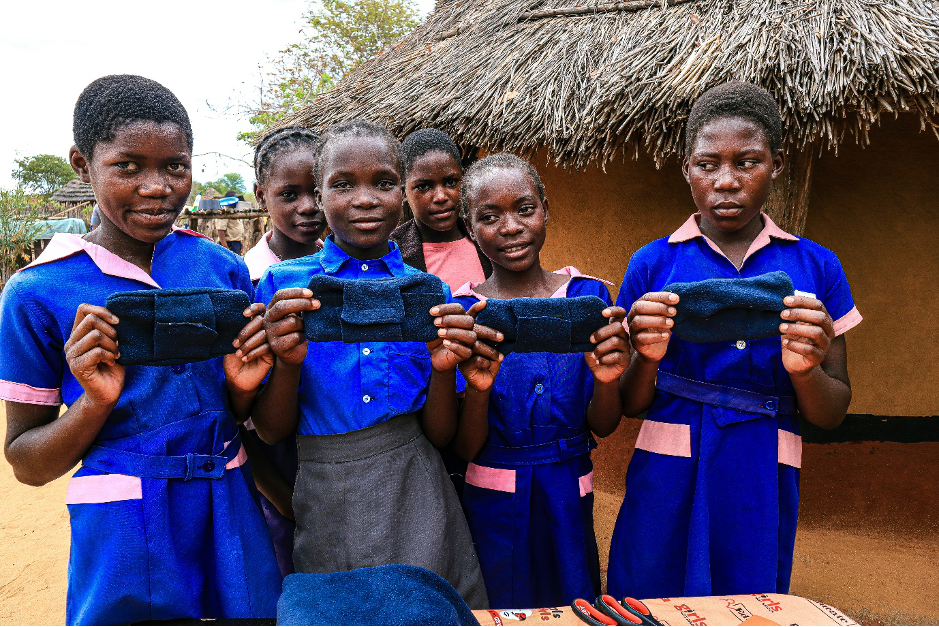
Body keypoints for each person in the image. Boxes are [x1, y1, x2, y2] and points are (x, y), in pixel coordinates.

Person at [0, 75, 281, 625]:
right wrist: (94, 403)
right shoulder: (37, 293)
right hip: (125, 524)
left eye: (175, 166)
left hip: (229, 500)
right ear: (82, 166)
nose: (157, 187)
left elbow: (237, 413)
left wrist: (241, 389)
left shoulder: (218, 268)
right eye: (127, 166)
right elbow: (27, 465)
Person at [607, 81, 863, 599]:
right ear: (687, 170)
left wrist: (805, 371)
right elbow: (631, 404)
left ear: (777, 165)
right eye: (707, 164)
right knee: (652, 582)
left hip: (765, 455)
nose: (726, 182)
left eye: (747, 162)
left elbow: (832, 411)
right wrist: (649, 360)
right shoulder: (652, 263)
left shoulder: (816, 265)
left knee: (748, 593)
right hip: (669, 454)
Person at [249, 119, 490, 608]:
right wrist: (290, 362)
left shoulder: (428, 294)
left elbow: (441, 436)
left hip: (417, 485)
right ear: (319, 195)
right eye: (342, 184)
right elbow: (272, 432)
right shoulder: (282, 289)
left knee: (431, 609)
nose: (364, 199)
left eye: (383, 183)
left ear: (402, 192)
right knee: (341, 611)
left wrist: (444, 369)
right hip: (323, 489)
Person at [452, 153, 630, 608]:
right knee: (501, 601)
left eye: (524, 209)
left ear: (546, 210)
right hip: (492, 486)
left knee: (575, 594)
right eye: (489, 217)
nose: (510, 227)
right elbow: (465, 447)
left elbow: (604, 425)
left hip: (569, 481)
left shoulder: (588, 296)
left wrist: (608, 381)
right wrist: (478, 388)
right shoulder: (464, 313)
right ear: (470, 228)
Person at [241, 125, 326, 578]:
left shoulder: (350, 268)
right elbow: (233, 413)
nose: (308, 207)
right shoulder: (243, 282)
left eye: (317, 189)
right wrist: (281, 497)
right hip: (279, 475)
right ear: (260, 195)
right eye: (289, 194)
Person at [391, 128, 492, 291]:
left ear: (463, 180)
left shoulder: (487, 238)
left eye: (451, 182)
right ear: (403, 192)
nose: (440, 197)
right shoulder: (391, 253)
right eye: (423, 187)